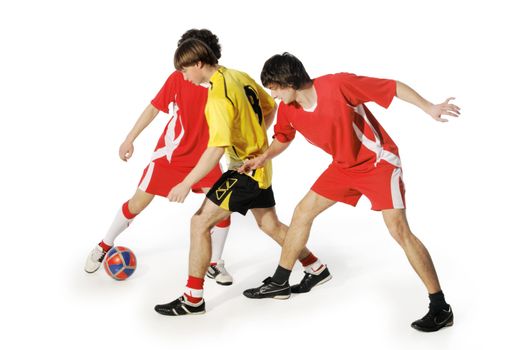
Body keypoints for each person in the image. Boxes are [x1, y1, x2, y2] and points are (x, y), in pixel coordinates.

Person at [240, 52, 460, 332]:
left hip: (378, 163)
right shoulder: (288, 110)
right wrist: (263, 158)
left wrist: (429, 107)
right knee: (302, 212)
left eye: (274, 88)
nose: (273, 95)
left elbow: (392, 87)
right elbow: (283, 138)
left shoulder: (338, 85)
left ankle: (440, 307)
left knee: (399, 231)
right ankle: (280, 281)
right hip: (343, 168)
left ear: (289, 83)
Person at [154, 39, 331, 317]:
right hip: (260, 164)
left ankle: (192, 299)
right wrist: (257, 139)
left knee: (199, 222)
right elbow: (269, 106)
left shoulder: (218, 96)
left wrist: (186, 182)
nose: (183, 76)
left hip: (244, 171)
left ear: (199, 64)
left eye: (185, 69)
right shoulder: (239, 75)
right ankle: (315, 268)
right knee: (270, 224)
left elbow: (216, 149)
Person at [84, 29, 233, 285]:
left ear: (203, 58)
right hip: (171, 157)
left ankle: (215, 263)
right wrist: (130, 138)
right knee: (137, 204)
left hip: (205, 159)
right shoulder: (178, 78)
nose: (184, 70)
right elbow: (154, 107)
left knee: (222, 208)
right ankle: (104, 245)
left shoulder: (226, 82)